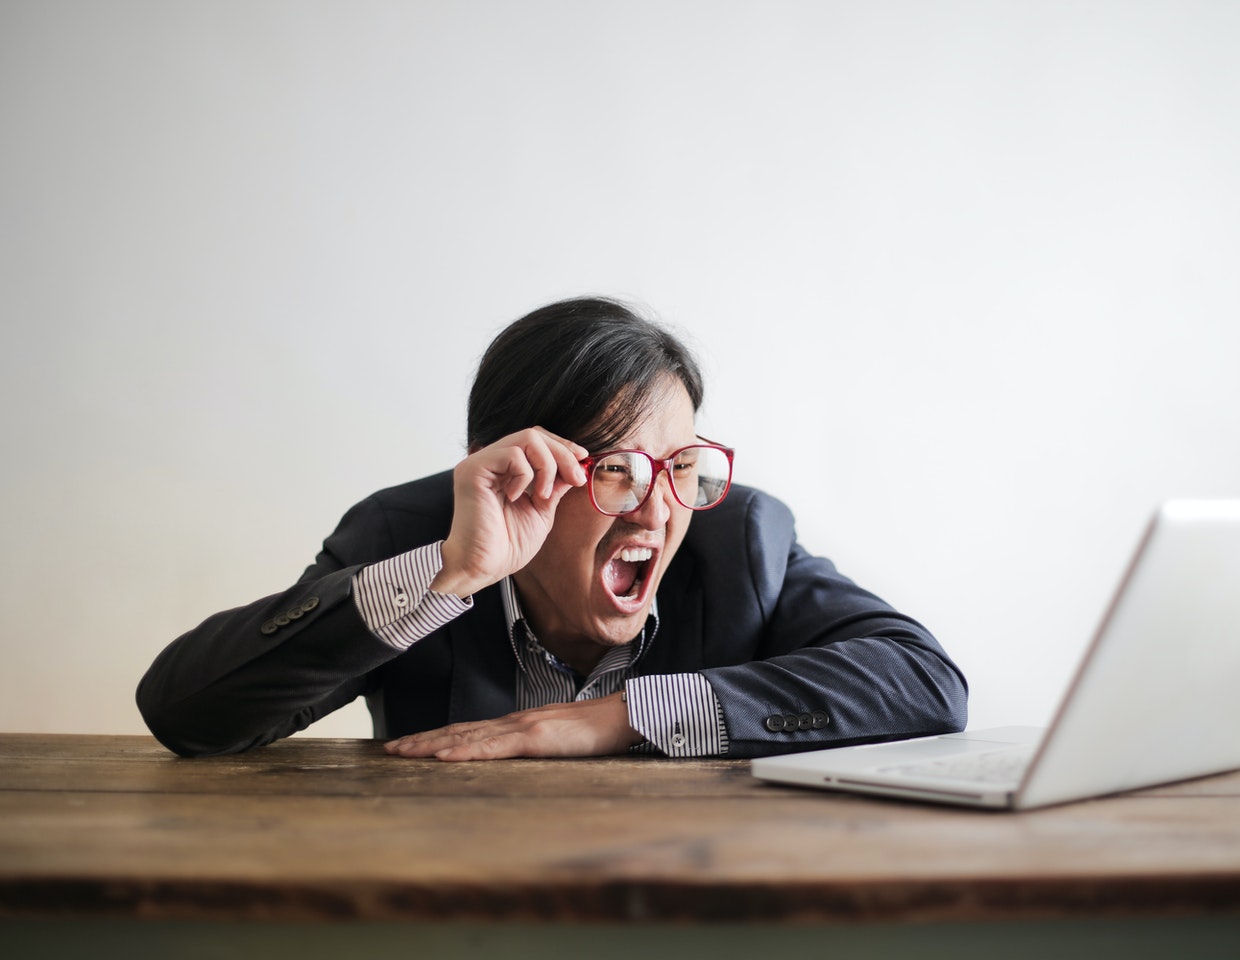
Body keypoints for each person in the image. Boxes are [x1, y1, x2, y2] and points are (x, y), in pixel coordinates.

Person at [137, 296, 967, 759]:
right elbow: (186, 713)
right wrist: (449, 577)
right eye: (614, 468)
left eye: (680, 465)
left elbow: (925, 681)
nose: (656, 508)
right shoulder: (409, 533)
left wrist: (617, 716)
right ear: (508, 466)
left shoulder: (740, 537)